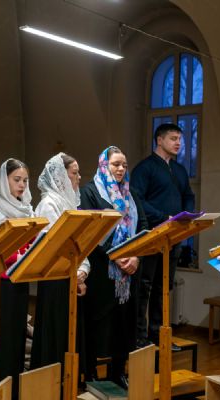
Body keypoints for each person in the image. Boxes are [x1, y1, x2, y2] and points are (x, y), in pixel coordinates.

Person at [80, 146, 147, 389]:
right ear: (103, 165)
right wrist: (115, 254)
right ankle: (90, 373)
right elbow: (90, 229)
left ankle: (118, 372)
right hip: (101, 270)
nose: (120, 169)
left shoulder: (131, 193)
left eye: (124, 165)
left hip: (129, 272)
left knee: (124, 325)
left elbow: (144, 224)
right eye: (115, 164)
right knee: (97, 323)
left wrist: (136, 256)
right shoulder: (89, 191)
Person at [131, 123, 195, 349]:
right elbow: (137, 199)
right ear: (159, 140)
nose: (178, 143)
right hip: (151, 235)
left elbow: (188, 195)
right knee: (145, 286)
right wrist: (163, 217)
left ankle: (158, 334)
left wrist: (185, 216)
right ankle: (139, 336)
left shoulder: (179, 170)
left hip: (173, 236)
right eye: (173, 138)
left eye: (180, 139)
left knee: (164, 286)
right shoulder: (145, 168)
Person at [30, 153, 89, 383]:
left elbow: (83, 243)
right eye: (74, 173)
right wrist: (74, 272)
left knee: (70, 335)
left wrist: (82, 272)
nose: (79, 177)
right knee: (55, 335)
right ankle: (51, 383)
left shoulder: (70, 202)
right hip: (55, 279)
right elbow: (54, 247)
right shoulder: (49, 204)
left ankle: (69, 381)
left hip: (72, 278)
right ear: (61, 176)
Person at [0, 158, 34, 400]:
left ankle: (15, 391)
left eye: (25, 181)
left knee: (17, 339)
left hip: (19, 281)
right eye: (16, 180)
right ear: (4, 180)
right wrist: (18, 255)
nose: (21, 185)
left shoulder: (27, 209)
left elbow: (32, 242)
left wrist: (28, 254)